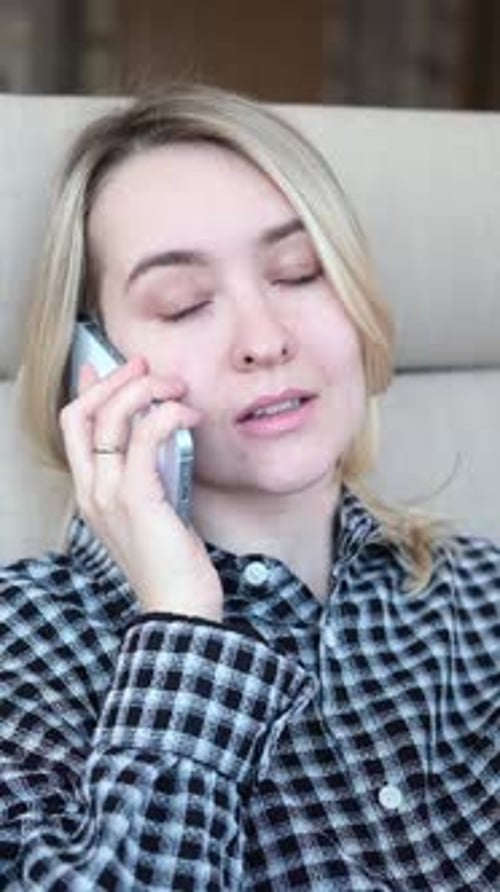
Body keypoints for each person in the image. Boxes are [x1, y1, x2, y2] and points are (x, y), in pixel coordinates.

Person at [0, 83, 498, 891]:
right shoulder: (24, 645)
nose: (265, 340)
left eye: (300, 274)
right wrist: (180, 627)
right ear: (89, 366)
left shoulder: (481, 599)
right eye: (184, 303)